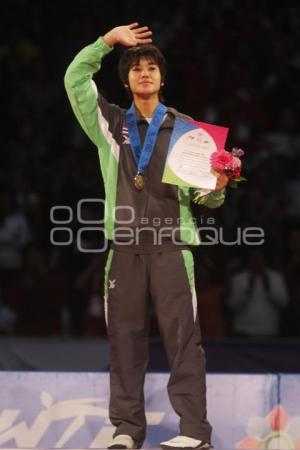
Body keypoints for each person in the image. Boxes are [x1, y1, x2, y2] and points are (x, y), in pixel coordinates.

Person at [64, 23, 228, 450]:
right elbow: (74, 79)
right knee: (124, 339)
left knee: (184, 341)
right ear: (126, 79)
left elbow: (206, 202)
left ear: (162, 77)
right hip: (124, 250)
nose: (144, 73)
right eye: (135, 68)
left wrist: (218, 186)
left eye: (151, 67)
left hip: (173, 248)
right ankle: (126, 429)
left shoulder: (187, 129)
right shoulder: (108, 122)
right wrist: (105, 42)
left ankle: (194, 432)